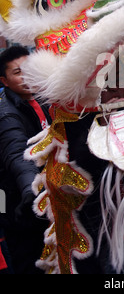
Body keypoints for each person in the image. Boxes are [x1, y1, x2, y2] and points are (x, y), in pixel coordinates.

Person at [0, 45, 51, 274]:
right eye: (18, 72)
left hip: (45, 197)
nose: (26, 76)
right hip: (21, 206)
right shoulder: (6, 113)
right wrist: (31, 190)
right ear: (4, 81)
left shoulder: (44, 98)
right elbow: (17, 154)